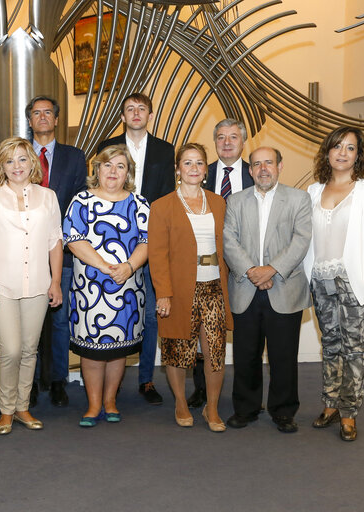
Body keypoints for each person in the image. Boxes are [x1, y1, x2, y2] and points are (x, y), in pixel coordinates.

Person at [303, 127, 364, 442]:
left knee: (354, 348)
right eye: (337, 146)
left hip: (355, 281)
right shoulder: (313, 191)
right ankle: (330, 404)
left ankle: (350, 412)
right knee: (330, 344)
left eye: (350, 148)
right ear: (327, 151)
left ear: (358, 155)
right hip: (320, 279)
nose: (342, 153)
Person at [0, 137, 63, 435]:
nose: (17, 166)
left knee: (29, 349)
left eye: (22, 159)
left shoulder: (48, 197)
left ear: (32, 162)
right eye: (9, 161)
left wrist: (56, 282)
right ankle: (6, 409)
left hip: (38, 284)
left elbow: (55, 242)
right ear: (1, 166)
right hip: (2, 286)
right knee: (9, 349)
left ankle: (23, 407)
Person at [223, 146, 312, 434]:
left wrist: (271, 269)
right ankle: (246, 409)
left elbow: (301, 240)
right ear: (249, 171)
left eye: (269, 163)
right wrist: (253, 272)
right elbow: (228, 240)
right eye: (257, 164)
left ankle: (284, 411)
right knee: (246, 354)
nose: (263, 169)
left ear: (280, 166)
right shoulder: (235, 201)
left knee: (283, 356)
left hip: (284, 287)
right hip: (245, 288)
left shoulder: (299, 199)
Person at [98, 92, 175, 406]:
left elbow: (168, 197)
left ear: (150, 114)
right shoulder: (107, 147)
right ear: (123, 115)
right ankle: (110, 386)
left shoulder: (164, 150)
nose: (136, 113)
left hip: (152, 242)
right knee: (116, 313)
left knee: (151, 317)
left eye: (141, 108)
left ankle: (145, 380)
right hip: (114, 245)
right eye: (130, 108)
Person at [64, 145, 150, 427]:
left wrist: (128, 267)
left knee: (117, 350)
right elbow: (73, 239)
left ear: (128, 173)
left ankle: (110, 401)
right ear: (96, 169)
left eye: (120, 166)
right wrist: (104, 266)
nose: (113, 171)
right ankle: (92, 404)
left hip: (128, 289)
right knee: (91, 350)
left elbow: (147, 242)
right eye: (107, 165)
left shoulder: (140, 204)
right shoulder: (80, 201)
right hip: (89, 290)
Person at [149, 143, 233, 431]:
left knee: (215, 350)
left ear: (206, 170)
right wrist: (164, 293)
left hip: (213, 287)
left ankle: (212, 408)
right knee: (177, 349)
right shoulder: (161, 206)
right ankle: (181, 403)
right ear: (178, 169)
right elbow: (157, 254)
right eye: (188, 163)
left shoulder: (219, 202)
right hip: (179, 288)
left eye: (199, 163)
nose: (194, 168)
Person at [26, 95, 88, 408]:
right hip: (25, 253)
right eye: (36, 113)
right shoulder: (20, 154)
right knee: (32, 321)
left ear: (56, 118)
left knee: (60, 319)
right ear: (29, 120)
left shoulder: (75, 157)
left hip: (62, 252)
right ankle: (33, 381)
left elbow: (77, 205)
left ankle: (58, 380)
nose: (42, 118)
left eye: (47, 112)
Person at [191, 118, 253, 408]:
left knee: (244, 333)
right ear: (214, 142)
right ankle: (201, 389)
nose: (227, 142)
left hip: (246, 269)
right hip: (208, 266)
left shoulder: (257, 174)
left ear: (243, 141)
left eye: (233, 137)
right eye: (220, 137)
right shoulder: (202, 174)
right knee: (202, 329)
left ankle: (246, 396)